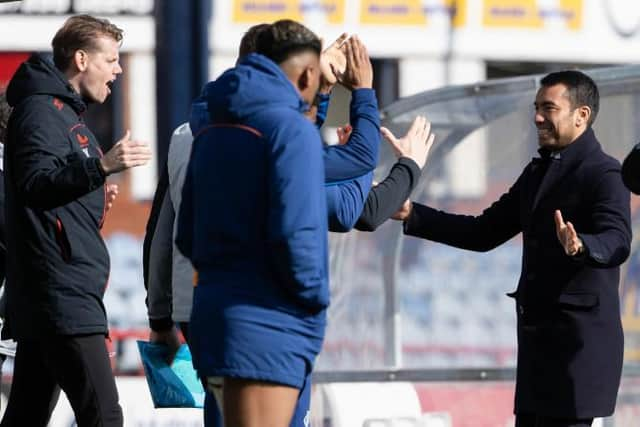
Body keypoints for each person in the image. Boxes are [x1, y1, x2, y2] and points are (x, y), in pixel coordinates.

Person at [394, 70, 631, 427]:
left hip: (576, 357)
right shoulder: (537, 172)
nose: (537, 116)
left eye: (548, 108)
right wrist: (413, 213)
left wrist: (582, 246)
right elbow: (481, 232)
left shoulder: (604, 173)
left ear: (581, 115)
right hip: (538, 357)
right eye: (536, 107)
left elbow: (617, 240)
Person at [176, 19, 327, 426]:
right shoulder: (292, 130)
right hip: (269, 324)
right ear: (308, 73)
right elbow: (299, 235)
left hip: (215, 320)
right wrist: (313, 301)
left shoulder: (211, 129)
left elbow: (186, 234)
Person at [2, 14, 151, 426]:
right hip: (60, 294)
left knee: (27, 414)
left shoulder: (65, 114)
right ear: (82, 60)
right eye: (112, 59)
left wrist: (96, 193)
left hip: (57, 293)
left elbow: (55, 195)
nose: (119, 69)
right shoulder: (40, 112)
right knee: (103, 415)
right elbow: (35, 184)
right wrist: (100, 169)